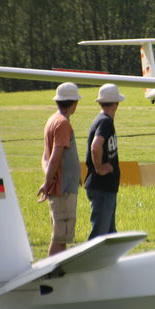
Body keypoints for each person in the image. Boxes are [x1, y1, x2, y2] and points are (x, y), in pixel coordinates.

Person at [38, 82, 82, 256]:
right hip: (63, 189)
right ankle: (52, 270)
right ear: (74, 103)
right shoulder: (63, 123)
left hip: (60, 186)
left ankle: (59, 269)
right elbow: (55, 155)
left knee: (61, 237)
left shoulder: (53, 120)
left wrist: (49, 179)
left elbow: (45, 157)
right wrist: (48, 182)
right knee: (59, 237)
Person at [85, 83, 125, 239]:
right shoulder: (105, 121)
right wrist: (100, 168)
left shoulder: (102, 120)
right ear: (116, 103)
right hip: (102, 187)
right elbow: (96, 147)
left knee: (110, 235)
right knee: (99, 236)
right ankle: (91, 256)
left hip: (106, 187)